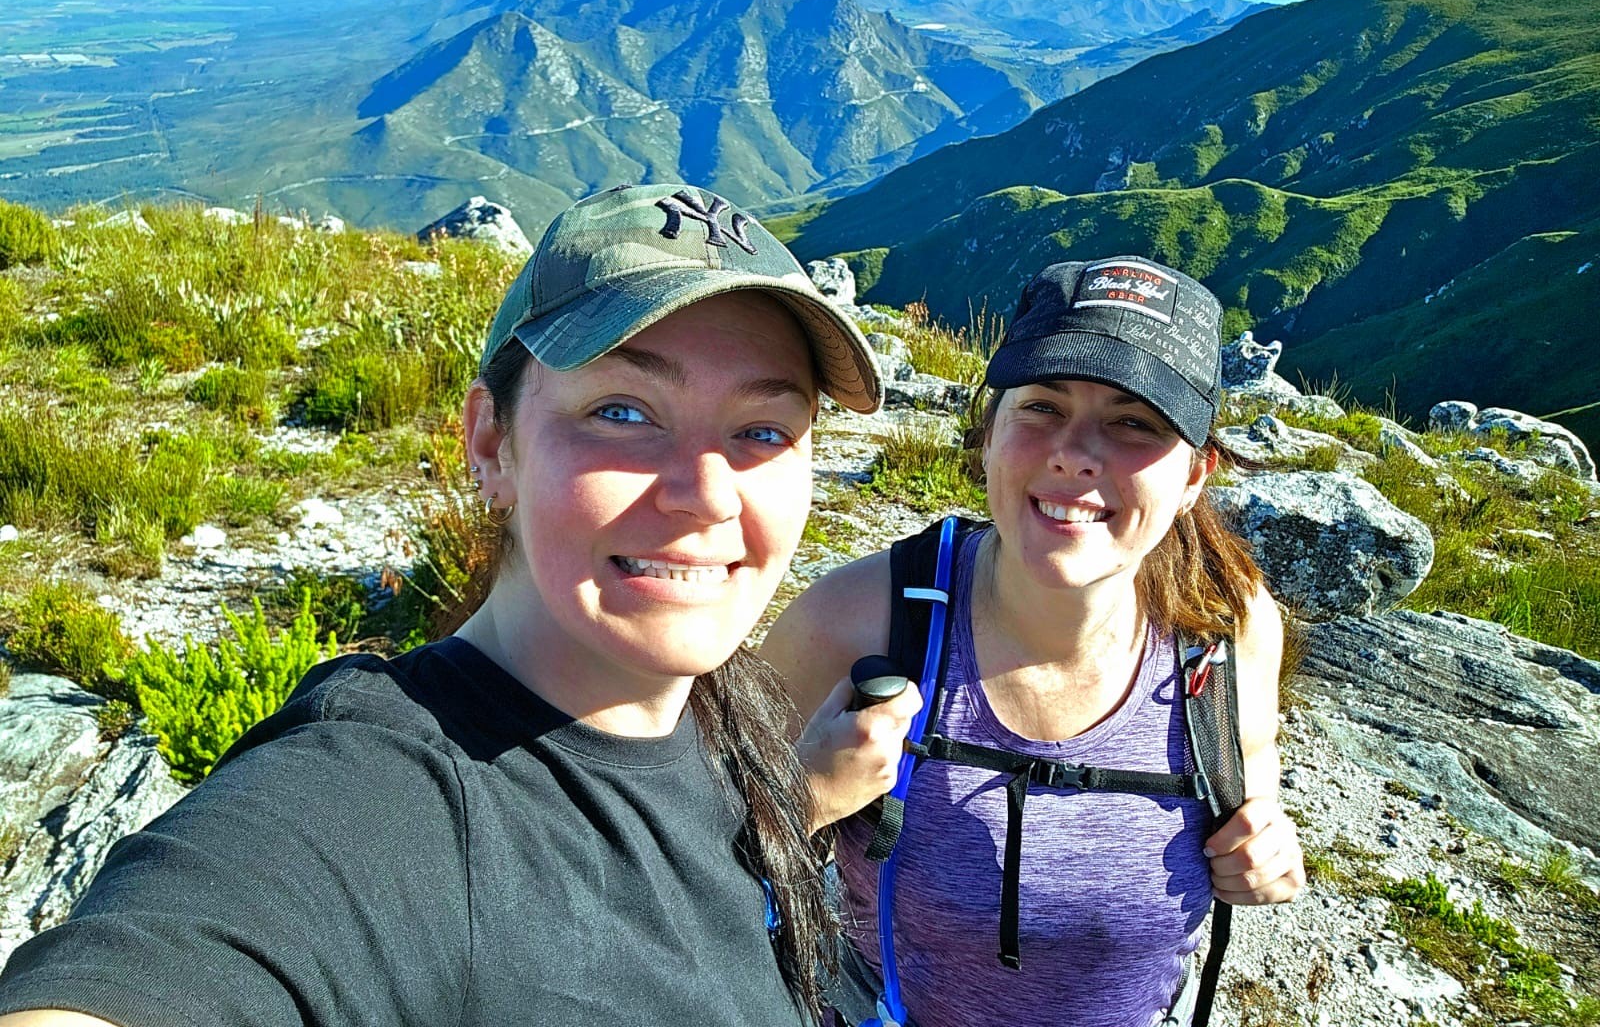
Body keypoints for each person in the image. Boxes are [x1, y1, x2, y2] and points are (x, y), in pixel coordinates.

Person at [0, 183, 885, 1027]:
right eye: (622, 411)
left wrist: (799, 802)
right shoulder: (372, 805)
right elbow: (167, 957)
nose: (708, 494)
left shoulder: (713, 713)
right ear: (491, 442)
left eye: (763, 431)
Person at [761, 255, 1306, 1027]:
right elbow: (697, 855)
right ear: (987, 438)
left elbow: (1256, 795)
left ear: (1194, 477)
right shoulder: (858, 619)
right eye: (1043, 406)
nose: (1074, 452)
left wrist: (1270, 852)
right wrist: (806, 801)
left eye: (1133, 423)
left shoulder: (1229, 633)